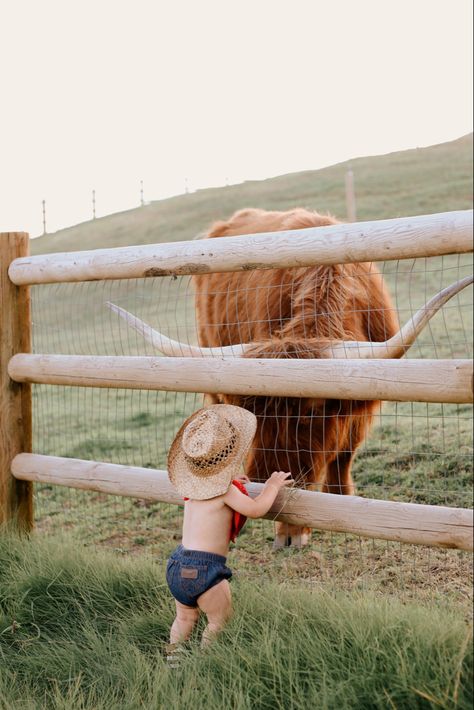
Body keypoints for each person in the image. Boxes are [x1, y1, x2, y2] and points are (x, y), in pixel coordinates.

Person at [165, 404, 292, 660]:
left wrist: (233, 481)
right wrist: (272, 486)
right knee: (218, 621)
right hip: (205, 571)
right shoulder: (224, 491)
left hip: (177, 565)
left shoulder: (194, 489)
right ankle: (206, 662)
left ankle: (174, 661)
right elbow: (256, 509)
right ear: (231, 454)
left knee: (185, 617)